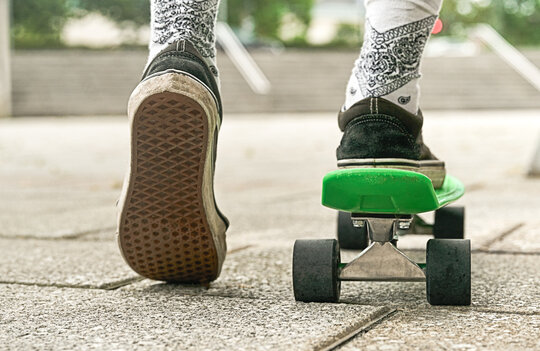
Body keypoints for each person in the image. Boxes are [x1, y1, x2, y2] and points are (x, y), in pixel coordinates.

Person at [116, 0, 446, 283]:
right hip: (388, 125)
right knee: (386, 87)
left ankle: (178, 55)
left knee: (181, 30)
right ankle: (385, 103)